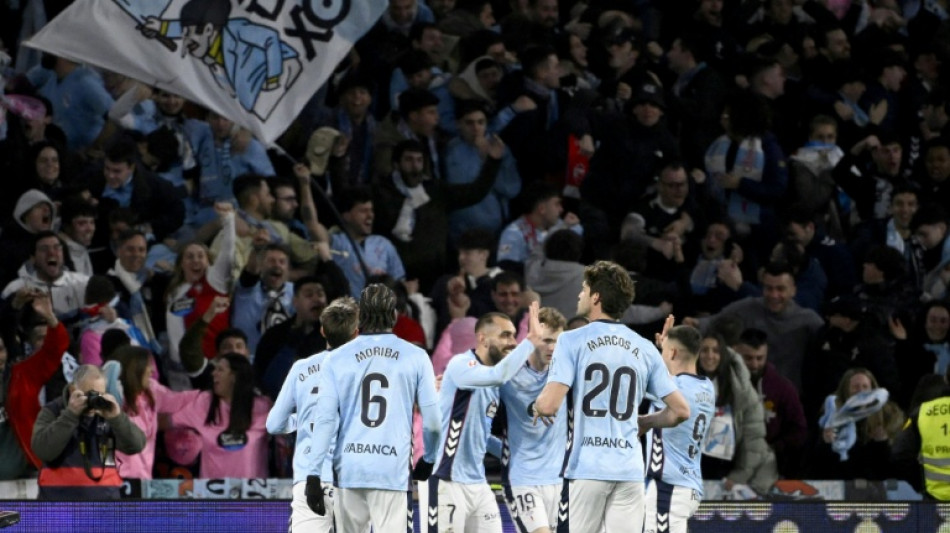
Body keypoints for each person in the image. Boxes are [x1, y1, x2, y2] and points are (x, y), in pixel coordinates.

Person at [534, 260, 690, 533]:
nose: (580, 295)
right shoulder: (644, 347)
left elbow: (548, 406)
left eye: (584, 289)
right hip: (630, 470)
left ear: (596, 297)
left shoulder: (571, 340)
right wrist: (645, 422)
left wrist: (535, 403)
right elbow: (680, 411)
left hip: (586, 469)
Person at [306, 284, 442, 533]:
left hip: (349, 467)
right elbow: (433, 421)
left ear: (361, 316)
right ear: (394, 315)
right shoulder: (416, 356)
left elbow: (324, 421)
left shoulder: (335, 358)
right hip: (392, 468)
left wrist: (313, 474)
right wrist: (429, 458)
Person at [427, 303, 545, 533]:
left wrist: (511, 452)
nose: (512, 342)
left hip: (479, 484)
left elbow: (480, 433)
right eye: (505, 335)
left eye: (513, 335)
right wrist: (529, 340)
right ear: (482, 338)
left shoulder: (492, 383)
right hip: (448, 481)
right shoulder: (462, 364)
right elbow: (499, 375)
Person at [266, 296, 360, 533]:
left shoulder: (302, 368)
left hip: (310, 479)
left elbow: (274, 424)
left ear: (322, 331)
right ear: (356, 333)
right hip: (355, 480)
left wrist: (301, 420)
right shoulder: (368, 371)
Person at [31, 364, 146, 499]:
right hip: (60, 506)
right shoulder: (54, 411)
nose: (95, 400)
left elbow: (136, 445)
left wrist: (117, 418)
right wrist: (70, 416)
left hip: (104, 506)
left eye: (100, 394)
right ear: (73, 389)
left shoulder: (106, 413)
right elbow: (42, 450)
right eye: (90, 394)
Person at [499, 306, 566, 533]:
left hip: (560, 480)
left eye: (556, 341)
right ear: (532, 337)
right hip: (523, 477)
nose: (552, 347)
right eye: (546, 340)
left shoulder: (566, 373)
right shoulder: (509, 374)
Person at [645, 322, 715, 533]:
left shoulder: (670, 387)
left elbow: (632, 375)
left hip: (669, 487)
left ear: (673, 352)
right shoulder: (707, 387)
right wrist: (665, 350)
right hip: (689, 484)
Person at [165, 353, 273, 478]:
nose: (213, 373)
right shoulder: (204, 403)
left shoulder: (263, 406)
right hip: (211, 494)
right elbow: (166, 421)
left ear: (234, 376)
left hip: (256, 494)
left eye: (220, 369)